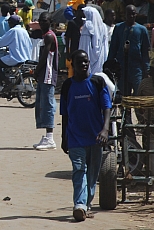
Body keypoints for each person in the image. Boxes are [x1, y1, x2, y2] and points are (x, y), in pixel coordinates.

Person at [60, 50, 111, 221]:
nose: (83, 64)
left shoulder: (97, 82)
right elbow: (64, 115)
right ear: (72, 65)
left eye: (86, 61)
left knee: (92, 174)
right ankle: (79, 205)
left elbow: (106, 107)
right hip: (75, 137)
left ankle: (86, 204)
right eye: (79, 62)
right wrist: (63, 137)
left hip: (96, 137)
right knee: (79, 170)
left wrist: (105, 129)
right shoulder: (67, 86)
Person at [108, 4, 150, 96]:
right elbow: (113, 48)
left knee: (138, 94)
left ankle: (137, 111)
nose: (131, 16)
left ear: (136, 14)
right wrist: (109, 64)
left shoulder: (142, 30)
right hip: (121, 67)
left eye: (133, 14)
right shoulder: (119, 28)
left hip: (136, 68)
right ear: (125, 15)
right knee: (123, 95)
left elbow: (145, 51)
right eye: (129, 14)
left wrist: (147, 68)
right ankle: (126, 110)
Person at [0, 15, 33, 89]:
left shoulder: (13, 31)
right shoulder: (24, 31)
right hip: (26, 58)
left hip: (16, 58)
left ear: (11, 23)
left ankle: (5, 82)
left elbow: (0, 41)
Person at [33, 13, 58, 151]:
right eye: (41, 21)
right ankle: (47, 136)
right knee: (42, 104)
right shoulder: (46, 36)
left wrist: (37, 71)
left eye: (45, 21)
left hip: (47, 75)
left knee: (47, 105)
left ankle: (50, 138)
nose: (42, 24)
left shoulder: (49, 36)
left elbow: (44, 58)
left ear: (50, 22)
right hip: (44, 75)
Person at [78, 6, 109, 76]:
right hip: (101, 57)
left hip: (89, 55)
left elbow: (85, 45)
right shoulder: (104, 26)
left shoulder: (87, 26)